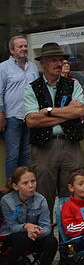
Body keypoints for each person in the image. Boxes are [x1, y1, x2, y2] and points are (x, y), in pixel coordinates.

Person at [22, 42, 84, 214]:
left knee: (73, 195)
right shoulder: (31, 88)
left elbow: (79, 111)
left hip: (70, 145)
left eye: (60, 60)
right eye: (53, 60)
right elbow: (32, 121)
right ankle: (46, 238)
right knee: (43, 195)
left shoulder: (73, 84)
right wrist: (67, 114)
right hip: (44, 148)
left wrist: (49, 112)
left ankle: (71, 237)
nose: (58, 63)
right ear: (43, 63)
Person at [0, 166, 58, 265]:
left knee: (51, 241)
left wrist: (38, 232)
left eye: (33, 181)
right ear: (15, 186)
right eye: (25, 183)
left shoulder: (41, 200)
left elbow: (47, 227)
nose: (31, 185)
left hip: (34, 236)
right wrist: (26, 226)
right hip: (11, 237)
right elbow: (11, 226)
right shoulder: (6, 201)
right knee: (23, 238)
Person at [0, 35, 39, 177]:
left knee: (27, 154)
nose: (24, 49)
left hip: (30, 116)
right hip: (12, 117)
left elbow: (37, 90)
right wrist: (1, 114)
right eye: (20, 46)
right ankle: (11, 188)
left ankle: (26, 185)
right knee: (13, 155)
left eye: (25, 46)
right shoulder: (3, 68)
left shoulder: (33, 67)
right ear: (12, 50)